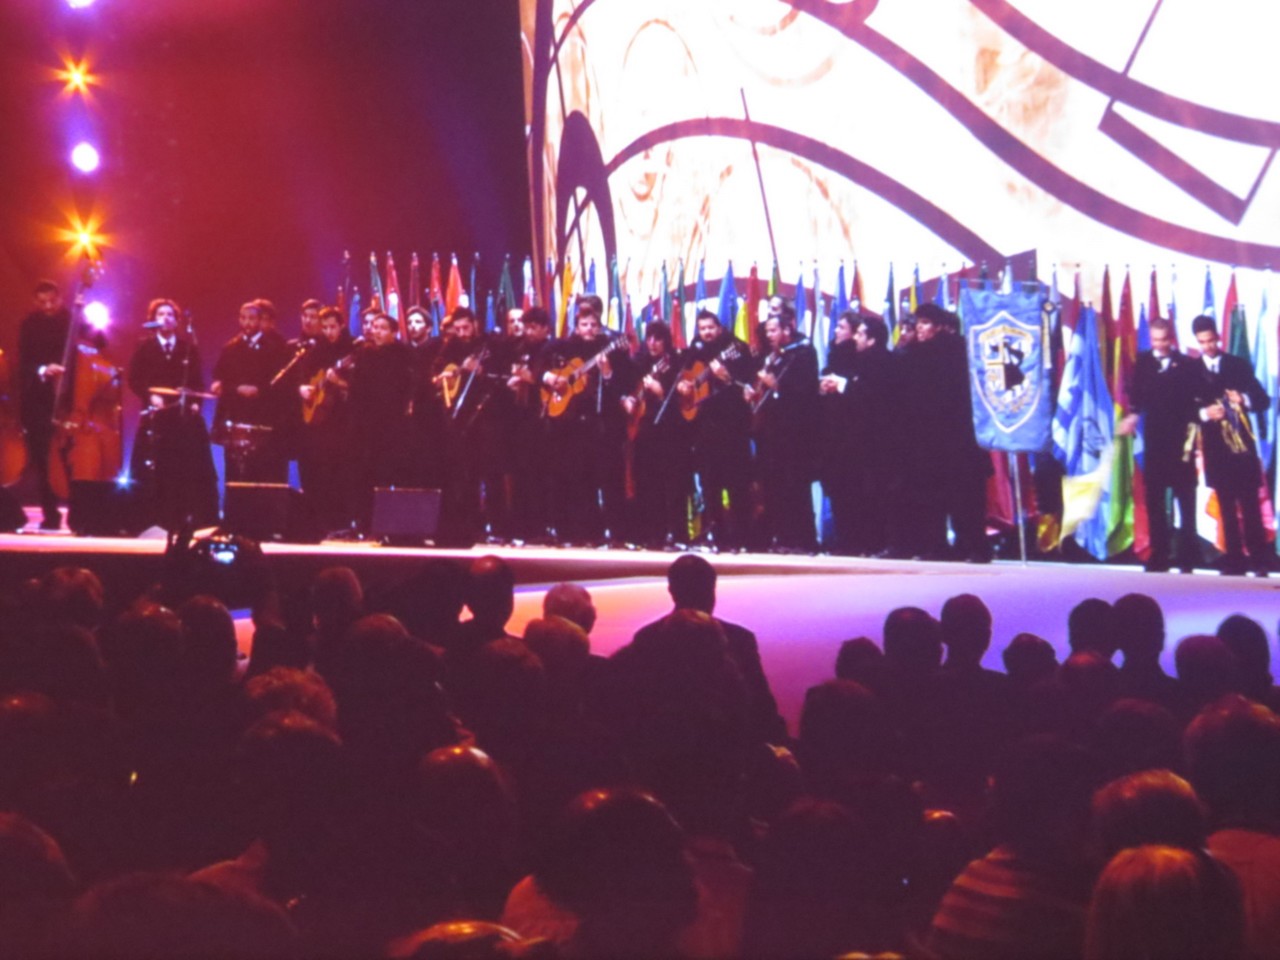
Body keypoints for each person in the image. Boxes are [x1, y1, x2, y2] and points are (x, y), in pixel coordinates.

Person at [897, 302, 991, 562]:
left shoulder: (957, 351)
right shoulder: (913, 353)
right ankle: (937, 546)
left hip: (957, 437)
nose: (920, 328)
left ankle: (974, 546)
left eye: (926, 323)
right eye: (918, 323)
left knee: (964, 497)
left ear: (938, 326)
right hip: (926, 438)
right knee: (931, 496)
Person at [542, 295, 632, 544]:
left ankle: (618, 535)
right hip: (573, 427)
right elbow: (541, 362)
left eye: (593, 325)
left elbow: (624, 383)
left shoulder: (611, 346)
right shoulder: (565, 346)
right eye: (584, 325)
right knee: (581, 481)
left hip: (604, 424)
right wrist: (550, 377)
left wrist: (608, 373)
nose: (589, 329)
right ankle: (585, 533)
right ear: (577, 326)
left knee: (610, 480)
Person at [18, 279, 105, 530]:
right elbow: (24, 362)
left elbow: (100, 342)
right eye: (42, 302)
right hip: (41, 400)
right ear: (35, 302)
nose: (48, 306)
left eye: (52, 301)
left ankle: (81, 514)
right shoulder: (29, 324)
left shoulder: (72, 319)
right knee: (42, 459)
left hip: (72, 399)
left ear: (60, 298)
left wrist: (86, 315)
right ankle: (51, 514)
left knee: (74, 460)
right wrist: (43, 369)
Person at [124, 298, 219, 529]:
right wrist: (150, 395)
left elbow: (197, 381)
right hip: (155, 415)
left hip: (181, 417)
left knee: (185, 463)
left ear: (176, 321)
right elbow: (134, 378)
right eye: (160, 314)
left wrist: (194, 402)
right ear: (153, 320)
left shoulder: (188, 348)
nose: (165, 318)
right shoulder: (145, 347)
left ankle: (187, 515)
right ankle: (149, 516)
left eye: (169, 315)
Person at [1189, 314, 1271, 576]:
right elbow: (1182, 409)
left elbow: (1263, 400)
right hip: (1215, 449)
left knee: (1250, 505)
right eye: (1202, 342)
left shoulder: (1238, 365)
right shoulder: (1191, 371)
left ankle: (1259, 560)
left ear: (1218, 337)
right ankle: (1233, 561)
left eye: (1211, 340)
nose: (1208, 346)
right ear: (1197, 342)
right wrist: (1204, 414)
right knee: (1225, 505)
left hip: (1242, 448)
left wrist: (1243, 399)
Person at [1120, 317, 1200, 572]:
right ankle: (1159, 555)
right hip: (1155, 442)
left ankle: (1188, 556)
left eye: (1163, 340)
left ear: (1171, 339)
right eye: (1155, 340)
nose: (1159, 345)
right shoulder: (1143, 362)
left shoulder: (1186, 365)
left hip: (1181, 441)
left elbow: (1194, 400)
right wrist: (1132, 415)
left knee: (1185, 500)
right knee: (1154, 500)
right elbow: (1137, 395)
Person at [676, 309, 755, 550]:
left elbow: (747, 387)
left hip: (732, 427)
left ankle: (742, 539)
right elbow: (685, 376)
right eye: (702, 329)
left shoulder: (736, 349)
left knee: (737, 484)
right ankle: (717, 537)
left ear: (719, 328)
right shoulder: (696, 349)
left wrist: (727, 377)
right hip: (705, 429)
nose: (707, 333)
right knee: (710, 485)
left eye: (711, 328)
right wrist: (683, 385)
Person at [746, 305, 819, 552]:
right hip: (772, 431)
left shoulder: (803, 352)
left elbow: (805, 392)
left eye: (773, 330)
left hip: (796, 431)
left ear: (787, 330)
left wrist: (776, 386)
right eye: (767, 331)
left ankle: (805, 540)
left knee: (796, 485)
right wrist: (754, 391)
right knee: (775, 486)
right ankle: (782, 537)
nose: (769, 335)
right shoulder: (773, 356)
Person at [345, 313, 414, 528]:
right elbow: (356, 389)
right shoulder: (364, 353)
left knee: (392, 472)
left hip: (394, 424)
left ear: (394, 332)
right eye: (375, 327)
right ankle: (364, 522)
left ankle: (391, 522)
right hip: (367, 425)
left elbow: (410, 387)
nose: (377, 332)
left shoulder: (404, 354)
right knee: (366, 473)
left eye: (383, 328)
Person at [626, 321, 691, 548]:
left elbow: (682, 403)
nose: (652, 343)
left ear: (666, 341)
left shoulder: (674, 364)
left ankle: (677, 534)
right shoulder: (639, 363)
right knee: (647, 483)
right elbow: (628, 390)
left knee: (672, 484)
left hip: (670, 432)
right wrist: (629, 399)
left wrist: (661, 392)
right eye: (649, 338)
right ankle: (651, 533)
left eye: (658, 339)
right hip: (644, 431)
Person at [210, 301, 291, 482]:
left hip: (264, 419)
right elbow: (220, 378)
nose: (247, 323)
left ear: (259, 320)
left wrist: (260, 390)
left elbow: (281, 384)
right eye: (244, 318)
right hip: (237, 417)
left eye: (252, 319)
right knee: (236, 475)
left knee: (262, 473)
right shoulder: (230, 348)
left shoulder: (274, 349)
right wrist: (235, 388)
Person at [296, 306, 356, 531]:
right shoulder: (315, 349)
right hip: (319, 423)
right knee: (319, 472)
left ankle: (343, 523)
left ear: (341, 326)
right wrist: (302, 388)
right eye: (325, 328)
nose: (329, 332)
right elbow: (303, 376)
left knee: (341, 472)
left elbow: (360, 387)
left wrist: (339, 382)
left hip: (344, 421)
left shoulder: (352, 349)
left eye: (332, 327)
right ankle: (320, 523)